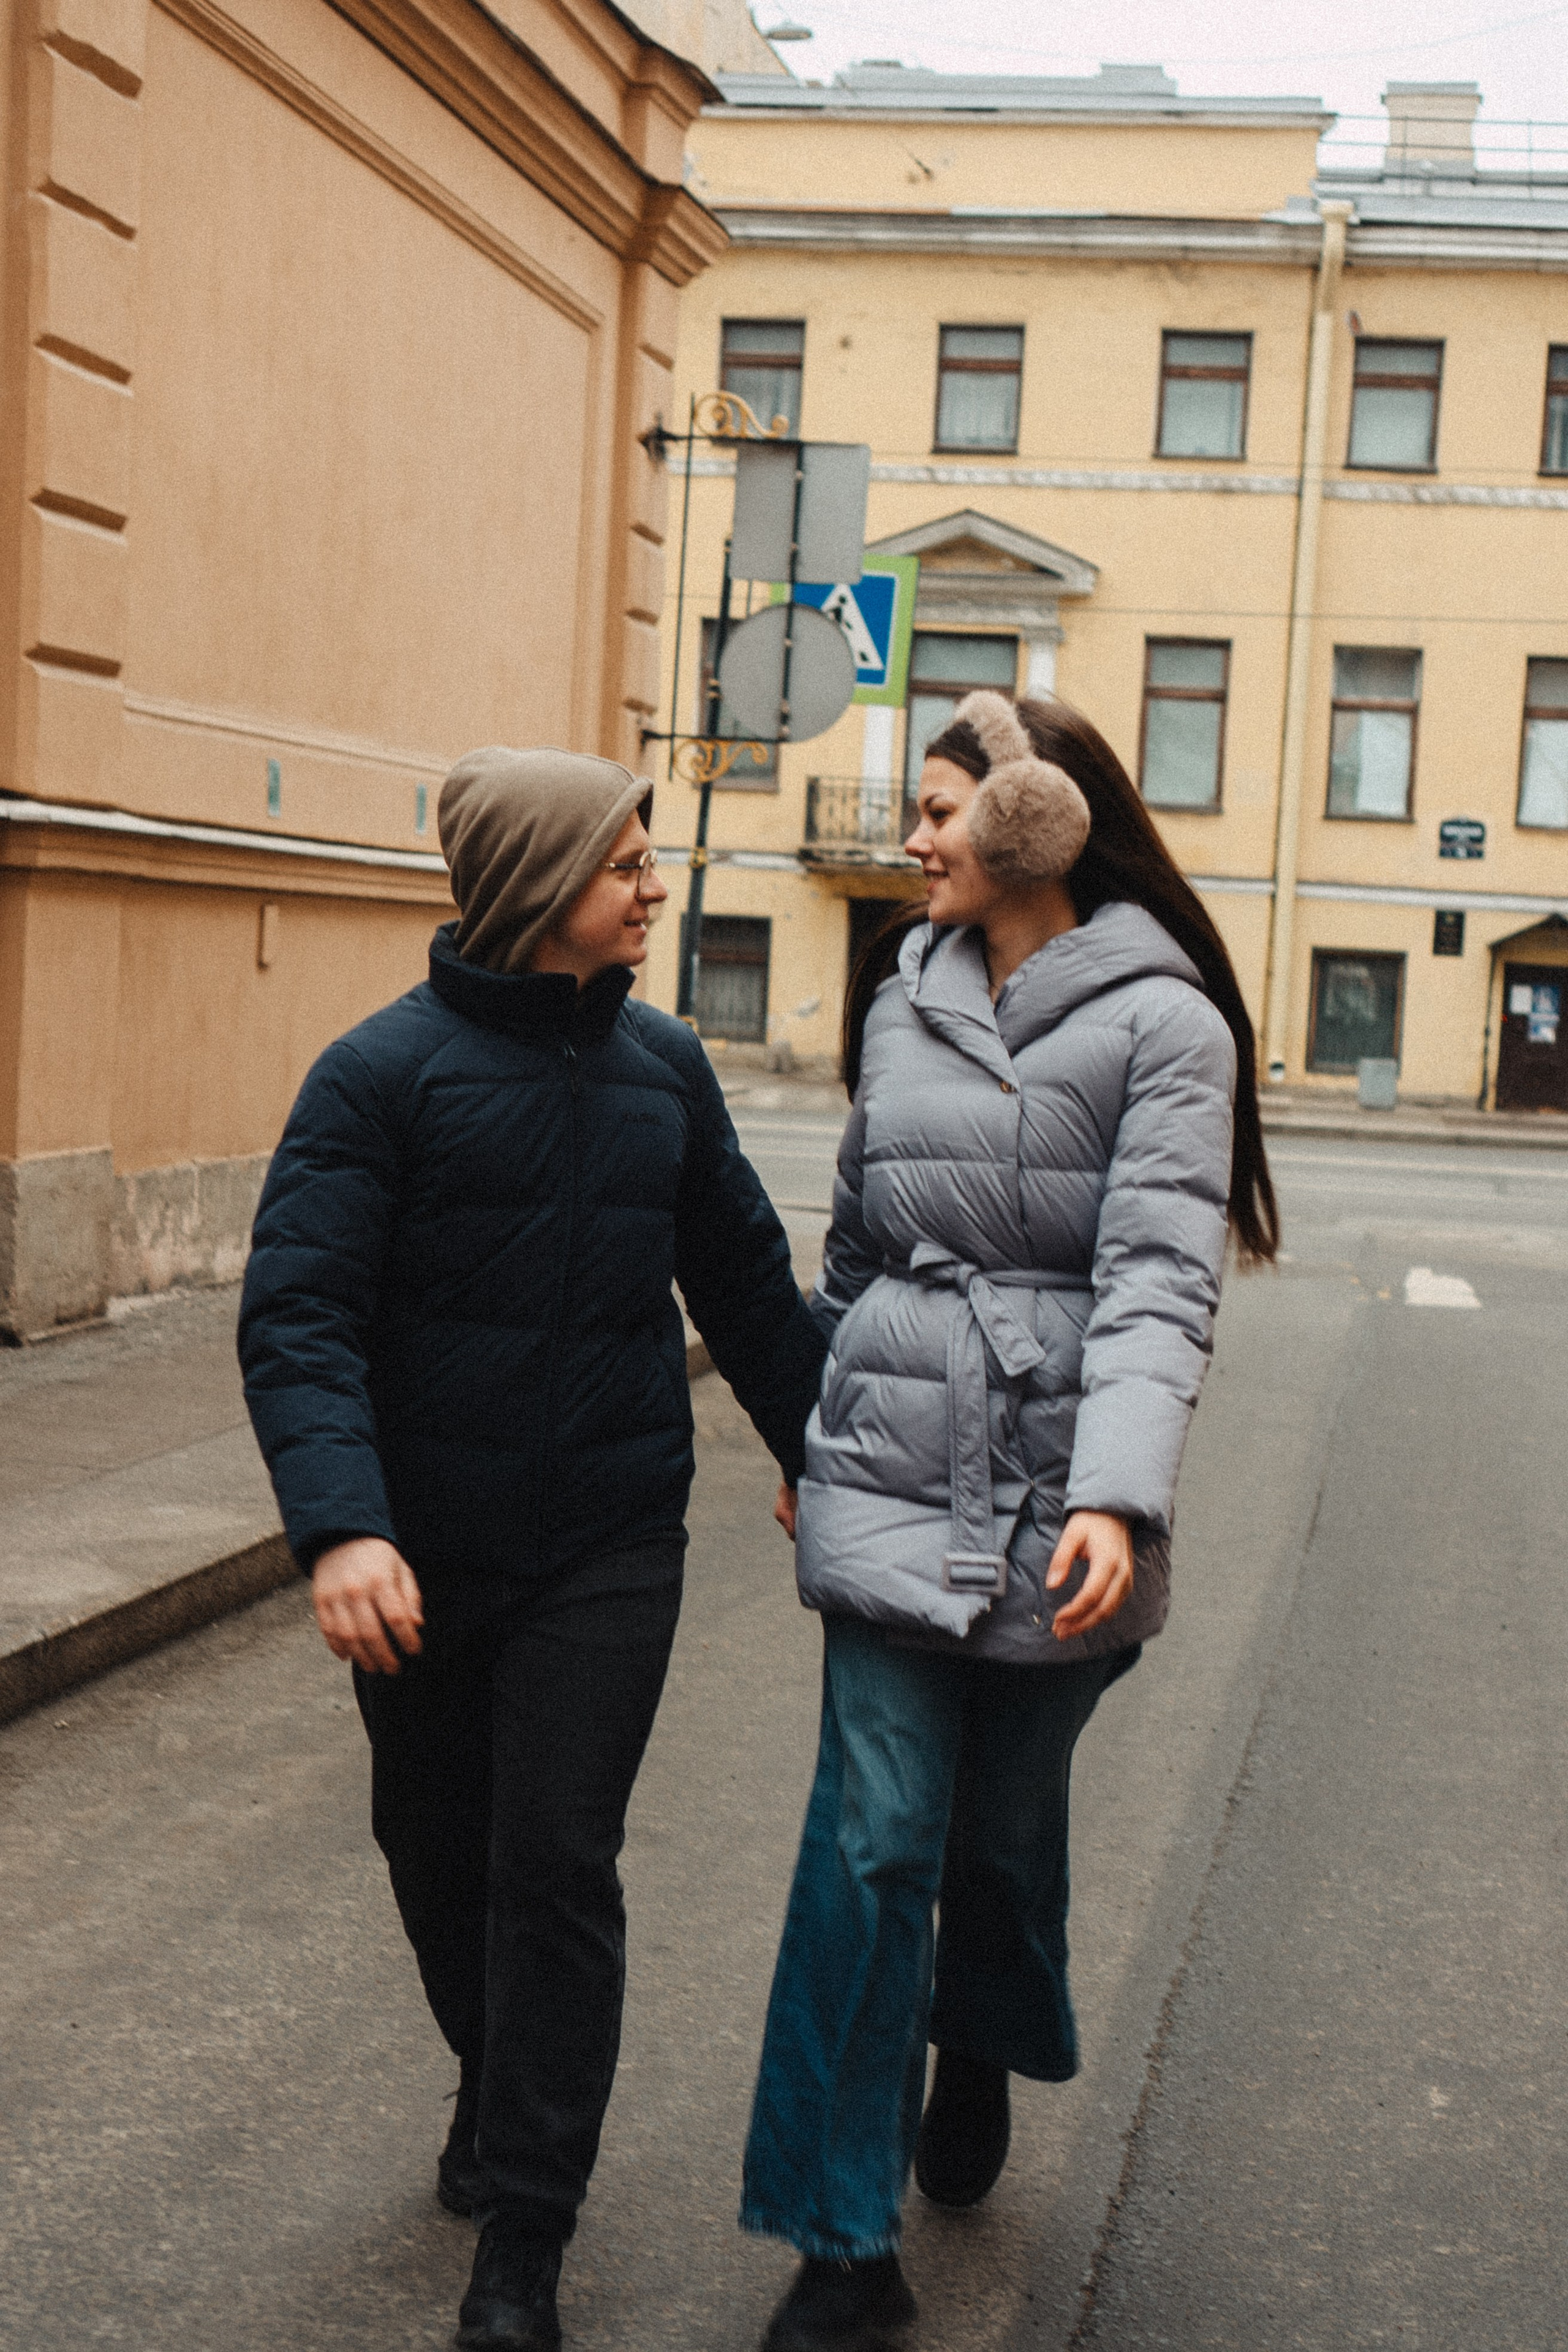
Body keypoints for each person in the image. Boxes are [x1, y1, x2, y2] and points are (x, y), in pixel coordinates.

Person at [238, 745, 826, 2352]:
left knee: (554, 1863)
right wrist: (345, 1527)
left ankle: (526, 2241)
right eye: (627, 864)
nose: (656, 889)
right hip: (425, 1554)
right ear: (535, 885)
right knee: (433, 1845)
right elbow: (301, 1319)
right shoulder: (379, 1079)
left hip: (608, 1542)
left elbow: (749, 1286)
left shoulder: (665, 1070)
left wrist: (825, 1455)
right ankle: (493, 2077)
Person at [741, 688, 1279, 2351]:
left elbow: (1158, 1281)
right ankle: (842, 2242)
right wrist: (814, 1423)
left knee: (991, 1834)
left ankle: (972, 2028)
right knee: (873, 1838)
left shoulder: (1166, 1023)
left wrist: (1117, 1492)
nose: (914, 838)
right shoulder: (901, 995)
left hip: (1061, 1492)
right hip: (892, 1469)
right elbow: (855, 1246)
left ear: (1037, 820)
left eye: (941, 808)